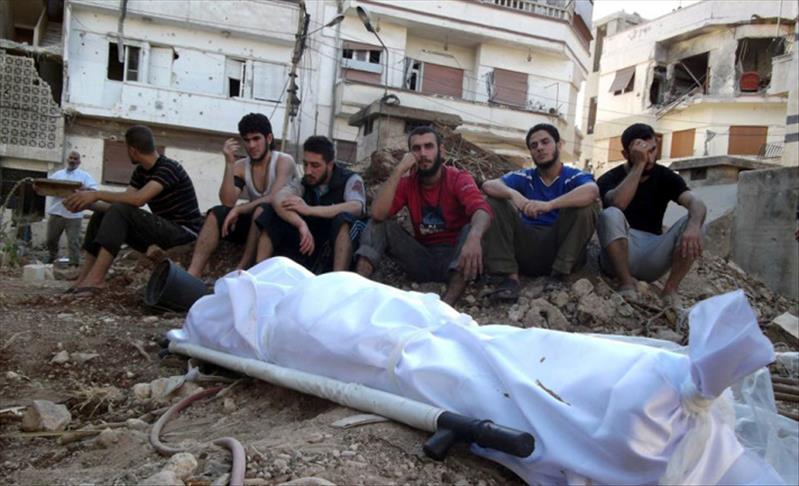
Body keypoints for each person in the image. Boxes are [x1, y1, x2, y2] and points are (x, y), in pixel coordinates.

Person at [354, 126, 492, 305]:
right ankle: (357, 291)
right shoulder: (407, 183)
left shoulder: (458, 178)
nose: (423, 154)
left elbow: (482, 209)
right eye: (416, 149)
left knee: (473, 227)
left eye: (428, 146)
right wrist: (399, 170)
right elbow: (377, 214)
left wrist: (474, 237)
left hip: (456, 257)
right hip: (422, 257)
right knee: (378, 225)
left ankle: (446, 306)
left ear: (441, 151)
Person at [63, 125, 202, 294]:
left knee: (120, 209)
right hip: (163, 230)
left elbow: (137, 200)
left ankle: (97, 279)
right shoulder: (141, 172)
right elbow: (122, 203)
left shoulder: (168, 168)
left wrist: (96, 194)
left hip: (184, 233)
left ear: (132, 150)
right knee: (103, 212)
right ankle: (84, 278)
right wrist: (86, 203)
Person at [481, 124, 599, 302]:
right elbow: (488, 185)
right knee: (494, 202)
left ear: (559, 145)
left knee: (587, 207)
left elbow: (592, 191)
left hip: (560, 247)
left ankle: (559, 275)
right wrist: (514, 195)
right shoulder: (526, 176)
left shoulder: (573, 176)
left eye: (545, 142)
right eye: (534, 145)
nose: (540, 148)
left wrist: (549, 205)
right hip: (526, 247)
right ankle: (509, 277)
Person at [597, 123, 706, 306]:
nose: (648, 157)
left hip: (653, 252)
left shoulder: (666, 176)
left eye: (652, 150)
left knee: (697, 221)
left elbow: (696, 202)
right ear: (626, 154)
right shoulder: (609, 178)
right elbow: (618, 203)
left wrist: (693, 227)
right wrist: (639, 165)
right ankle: (626, 282)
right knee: (611, 214)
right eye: (641, 152)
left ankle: (670, 290)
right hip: (618, 254)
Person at [187, 113, 296, 277]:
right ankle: (193, 272)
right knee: (217, 213)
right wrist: (229, 163)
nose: (251, 145)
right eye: (247, 140)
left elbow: (274, 197)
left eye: (256, 139)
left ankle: (244, 267)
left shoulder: (283, 161)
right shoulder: (241, 166)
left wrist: (240, 209)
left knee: (262, 210)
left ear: (268, 138)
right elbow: (228, 201)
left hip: (280, 223)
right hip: (254, 222)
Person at [252, 135, 365, 273]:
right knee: (269, 211)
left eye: (315, 165)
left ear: (330, 165)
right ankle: (259, 272)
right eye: (305, 164)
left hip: (334, 241)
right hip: (309, 241)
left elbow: (356, 207)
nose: (308, 171)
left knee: (344, 220)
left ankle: (338, 280)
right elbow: (278, 199)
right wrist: (300, 224)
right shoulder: (303, 182)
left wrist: (309, 210)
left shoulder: (350, 179)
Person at [45, 151, 98, 266]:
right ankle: (52, 257)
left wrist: (83, 189)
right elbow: (47, 186)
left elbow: (94, 190)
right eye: (71, 158)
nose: (72, 160)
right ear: (67, 159)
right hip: (56, 212)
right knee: (51, 239)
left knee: (73, 241)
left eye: (75, 159)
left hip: (74, 214)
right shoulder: (58, 175)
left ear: (79, 162)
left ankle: (74, 263)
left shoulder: (84, 176)